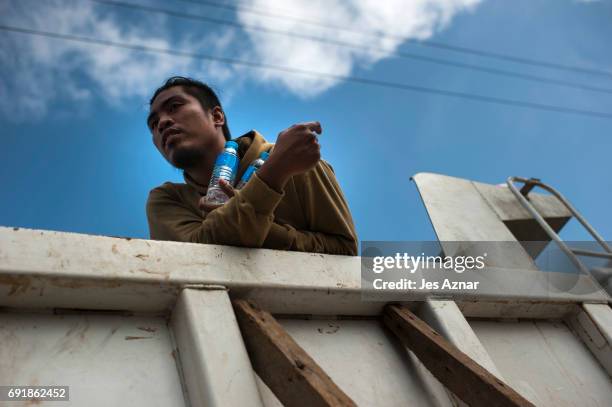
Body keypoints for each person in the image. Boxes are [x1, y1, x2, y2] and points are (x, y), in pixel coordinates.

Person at [146, 76, 358, 256]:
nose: (162, 123)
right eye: (153, 124)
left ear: (217, 116)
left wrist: (271, 176)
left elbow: (345, 251)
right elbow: (196, 257)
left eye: (174, 107)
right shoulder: (167, 200)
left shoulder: (295, 160)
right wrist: (270, 178)